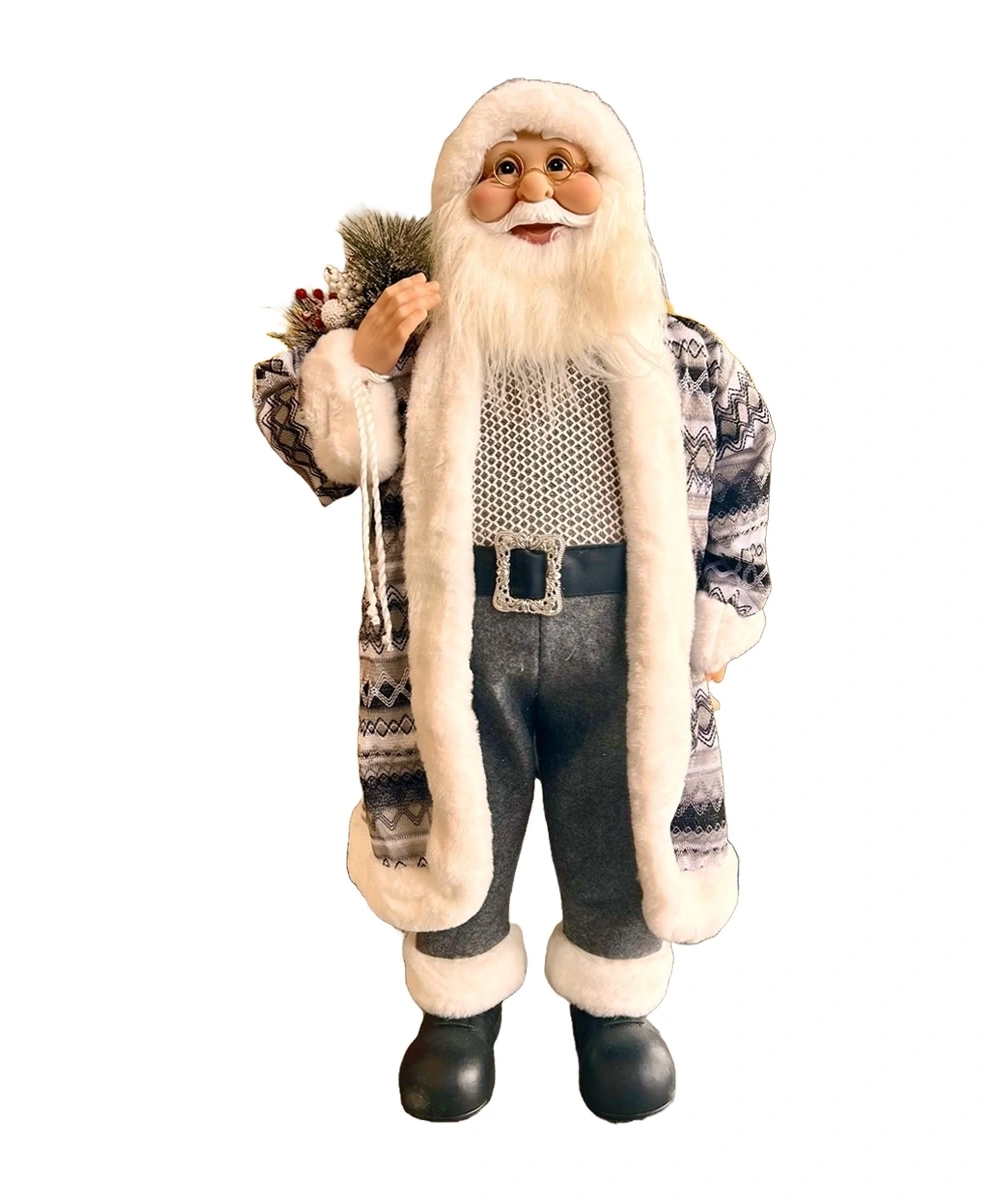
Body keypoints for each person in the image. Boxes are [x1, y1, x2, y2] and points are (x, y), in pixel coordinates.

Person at [253, 77, 775, 1123]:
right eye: (503, 169)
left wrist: (726, 598)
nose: (535, 192)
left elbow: (747, 464)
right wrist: (358, 362)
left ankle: (613, 1005)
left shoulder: (681, 354)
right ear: (459, 197)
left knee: (624, 810)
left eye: (560, 165)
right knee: (459, 811)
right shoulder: (417, 340)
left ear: (614, 189)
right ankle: (459, 1004)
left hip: (624, 640)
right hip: (461, 640)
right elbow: (314, 447)